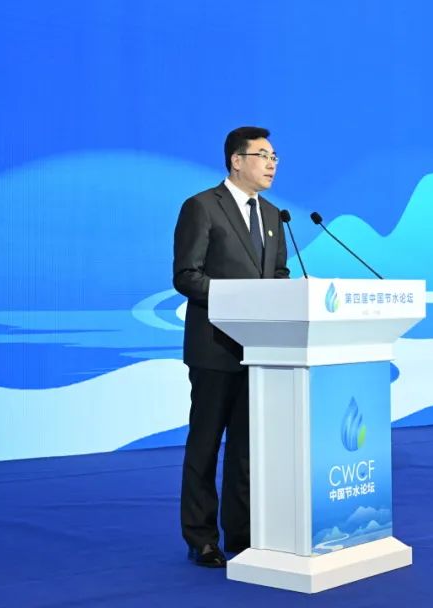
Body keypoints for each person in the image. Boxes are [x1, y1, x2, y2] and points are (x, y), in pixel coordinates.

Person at [172, 126, 290, 568]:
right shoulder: (202, 206)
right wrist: (240, 300)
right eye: (263, 155)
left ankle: (242, 533)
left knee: (246, 449)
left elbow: (278, 277)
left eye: (275, 156)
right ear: (237, 161)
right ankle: (201, 538)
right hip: (214, 347)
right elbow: (187, 275)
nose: (272, 164)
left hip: (261, 351)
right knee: (205, 445)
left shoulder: (275, 216)